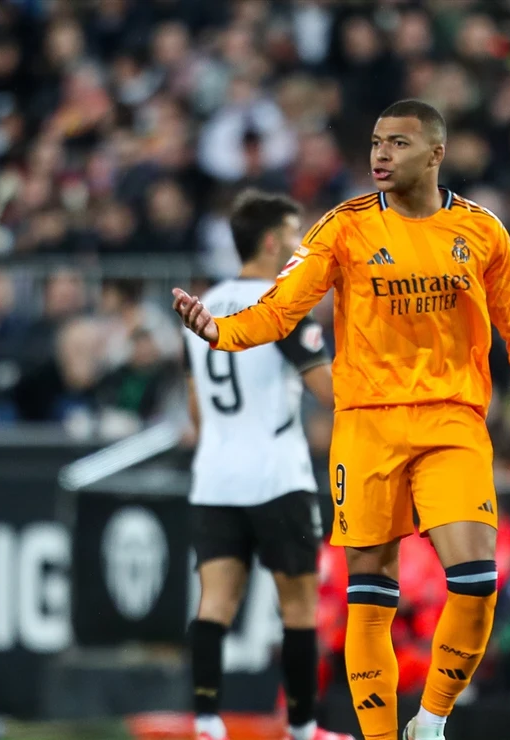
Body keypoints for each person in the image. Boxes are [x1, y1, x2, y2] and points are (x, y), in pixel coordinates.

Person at [174, 100, 510, 740]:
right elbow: (280, 308)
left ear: (436, 155)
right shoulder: (343, 228)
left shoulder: (482, 232)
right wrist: (220, 331)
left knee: (475, 581)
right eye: (375, 142)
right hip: (365, 426)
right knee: (370, 593)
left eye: (397, 143)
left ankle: (433, 719)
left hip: (451, 421)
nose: (380, 155)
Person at [182, 190, 351, 740]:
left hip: (215, 477)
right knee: (299, 609)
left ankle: (206, 723)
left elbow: (196, 411)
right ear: (274, 240)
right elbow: (330, 393)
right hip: (278, 478)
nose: (303, 246)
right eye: (296, 235)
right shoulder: (283, 302)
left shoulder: (204, 306)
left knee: (215, 604)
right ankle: (303, 731)